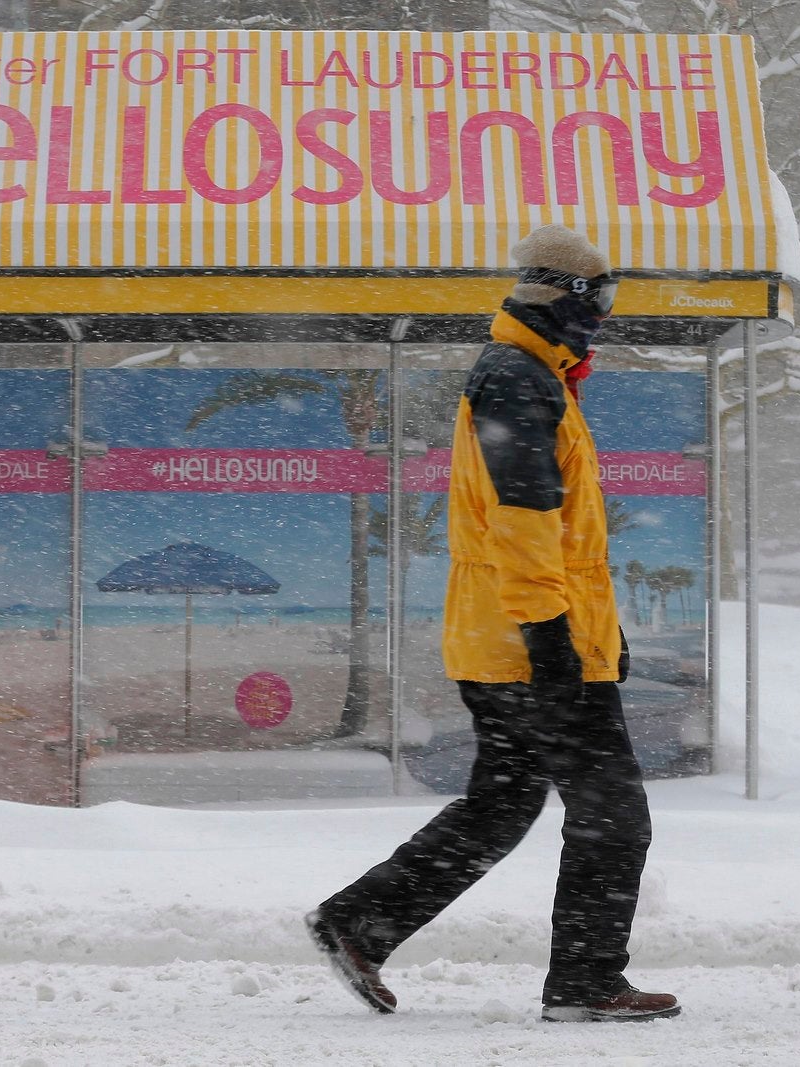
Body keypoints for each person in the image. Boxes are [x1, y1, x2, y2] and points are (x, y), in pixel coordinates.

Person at [306, 225, 678, 1023]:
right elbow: (524, 520)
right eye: (600, 299)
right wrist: (553, 637)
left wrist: (597, 632)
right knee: (613, 813)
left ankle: (360, 921)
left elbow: (556, 532)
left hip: (510, 635)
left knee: (502, 801)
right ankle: (583, 982)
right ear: (563, 298)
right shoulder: (520, 381)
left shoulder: (529, 373)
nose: (606, 317)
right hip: (532, 641)